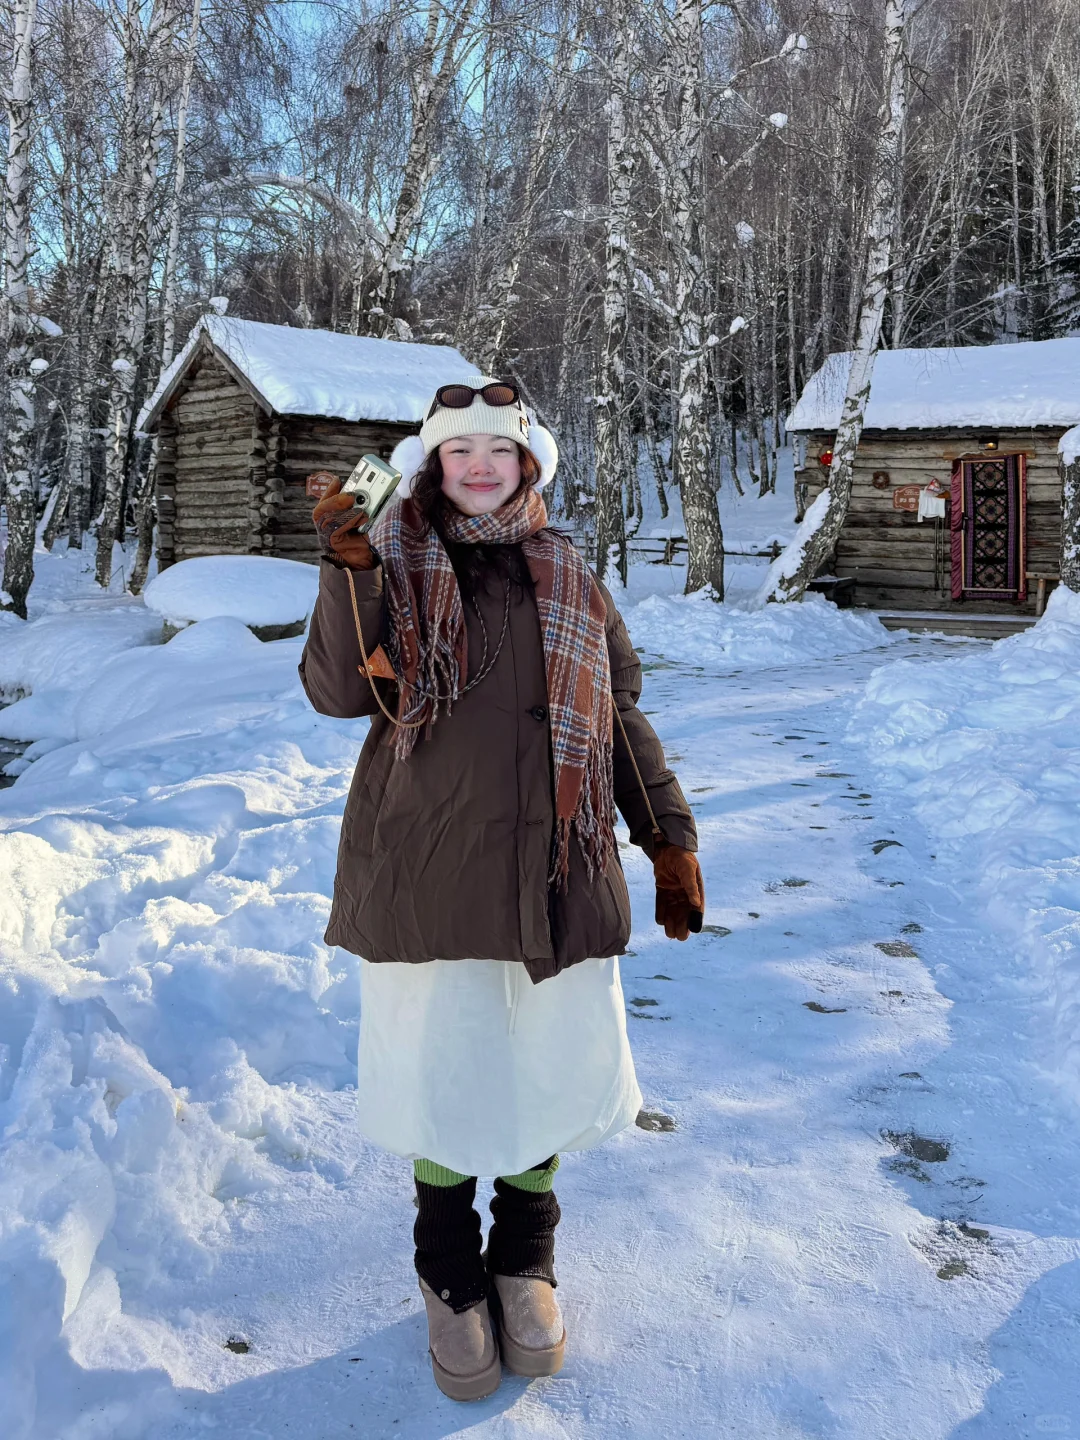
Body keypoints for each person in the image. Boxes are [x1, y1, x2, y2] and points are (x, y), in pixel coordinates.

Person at [299, 378, 702, 1402]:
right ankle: (448, 1268)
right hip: (428, 869)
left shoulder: (573, 573)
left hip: (557, 870)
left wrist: (667, 838)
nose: (479, 466)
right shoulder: (386, 558)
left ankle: (524, 1259)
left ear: (530, 466)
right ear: (432, 466)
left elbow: (619, 719)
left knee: (547, 1076)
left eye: (500, 450)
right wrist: (344, 568)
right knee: (446, 1078)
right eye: (458, 451)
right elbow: (342, 691)